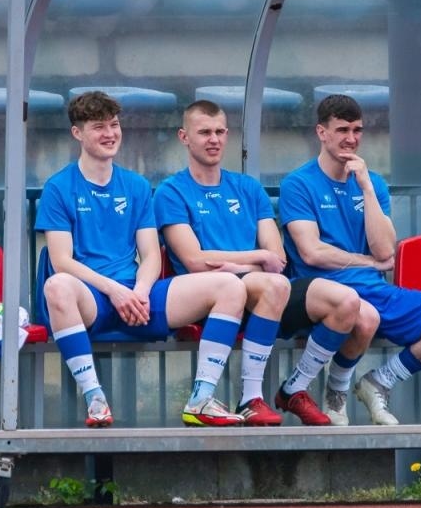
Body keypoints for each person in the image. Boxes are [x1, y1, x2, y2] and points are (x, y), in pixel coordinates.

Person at [156, 100, 376, 427]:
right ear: (184, 137)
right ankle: (251, 398)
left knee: (347, 302)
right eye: (204, 132)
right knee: (270, 283)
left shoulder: (248, 188)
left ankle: (295, 387)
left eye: (219, 132)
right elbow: (194, 259)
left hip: (267, 291)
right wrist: (255, 258)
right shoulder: (171, 191)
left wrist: (242, 263)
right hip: (211, 298)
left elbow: (278, 256)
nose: (213, 139)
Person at [38, 90, 250, 429]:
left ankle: (201, 400)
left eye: (114, 125)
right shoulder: (59, 187)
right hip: (92, 298)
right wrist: (115, 292)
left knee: (229, 286)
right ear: (77, 133)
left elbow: (151, 253)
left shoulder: (135, 185)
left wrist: (139, 289)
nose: (110, 134)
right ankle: (95, 398)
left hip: (138, 298)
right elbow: (62, 260)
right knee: (58, 285)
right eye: (98, 127)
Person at [280, 94, 421, 425]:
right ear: (321, 132)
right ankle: (335, 393)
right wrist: (367, 262)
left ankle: (378, 381)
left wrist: (367, 189)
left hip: (373, 290)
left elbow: (385, 251)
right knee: (365, 315)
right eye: (342, 129)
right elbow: (312, 252)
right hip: (325, 292)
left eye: (357, 130)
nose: (351, 139)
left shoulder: (372, 183)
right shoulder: (298, 184)